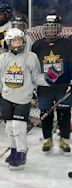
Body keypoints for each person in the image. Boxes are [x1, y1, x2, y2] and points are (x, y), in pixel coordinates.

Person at [0, 28, 54, 170]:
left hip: (23, 97)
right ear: (9, 43)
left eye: (19, 40)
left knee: (18, 126)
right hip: (7, 96)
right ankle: (14, 149)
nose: (17, 44)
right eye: (14, 41)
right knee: (9, 126)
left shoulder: (31, 57)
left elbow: (36, 77)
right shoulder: (2, 58)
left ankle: (22, 152)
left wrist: (48, 78)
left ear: (23, 41)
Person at [31, 14, 72, 154]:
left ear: (59, 29)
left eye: (54, 27)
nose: (51, 30)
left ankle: (64, 140)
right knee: (46, 114)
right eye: (48, 27)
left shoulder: (68, 43)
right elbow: (34, 67)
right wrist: (34, 84)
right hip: (45, 87)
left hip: (63, 86)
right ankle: (47, 138)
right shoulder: (37, 45)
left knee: (64, 113)